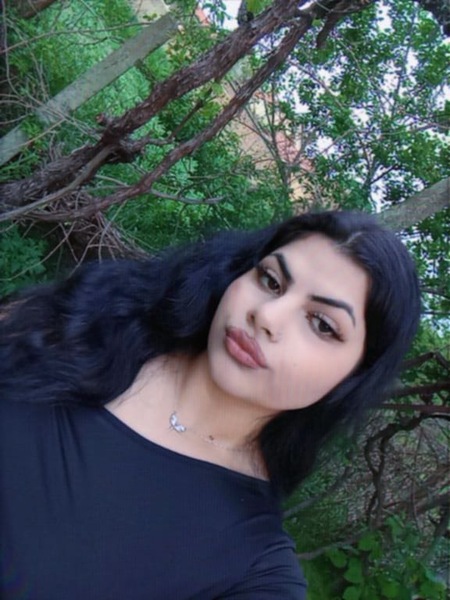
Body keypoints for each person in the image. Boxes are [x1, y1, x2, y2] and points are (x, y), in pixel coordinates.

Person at [0, 210, 420, 599]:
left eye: (322, 324)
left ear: (354, 376)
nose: (268, 316)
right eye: (271, 281)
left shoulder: (250, 567)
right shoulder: (95, 316)